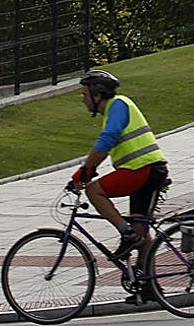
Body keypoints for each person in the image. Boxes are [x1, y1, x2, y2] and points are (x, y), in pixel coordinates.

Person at [70, 69, 170, 260]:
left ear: (97, 94)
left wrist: (84, 171)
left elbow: (106, 141)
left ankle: (126, 232)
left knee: (93, 191)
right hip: (145, 170)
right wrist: (88, 170)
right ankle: (148, 285)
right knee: (141, 232)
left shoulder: (118, 104)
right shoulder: (114, 109)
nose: (83, 99)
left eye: (84, 94)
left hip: (142, 169)